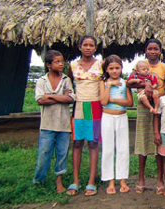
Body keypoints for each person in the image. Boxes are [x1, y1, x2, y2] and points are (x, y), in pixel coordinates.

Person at [131, 39, 165, 194]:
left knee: (158, 143)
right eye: (150, 49)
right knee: (142, 142)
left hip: (159, 107)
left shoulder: (164, 68)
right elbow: (130, 82)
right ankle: (141, 179)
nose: (153, 51)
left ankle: (160, 179)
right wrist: (144, 85)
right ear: (146, 50)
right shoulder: (138, 65)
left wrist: (155, 91)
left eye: (156, 49)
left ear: (160, 51)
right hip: (143, 108)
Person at [33, 50, 75, 193]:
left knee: (62, 154)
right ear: (49, 64)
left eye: (62, 61)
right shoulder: (41, 81)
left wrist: (50, 96)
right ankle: (39, 181)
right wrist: (60, 97)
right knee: (44, 153)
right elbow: (40, 100)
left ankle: (59, 181)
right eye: (57, 62)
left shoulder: (66, 80)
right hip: (47, 124)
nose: (61, 64)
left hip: (64, 124)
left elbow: (70, 98)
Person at [66, 35, 103, 196]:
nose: (88, 47)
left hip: (94, 106)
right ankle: (75, 181)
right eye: (85, 45)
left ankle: (91, 181)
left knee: (93, 143)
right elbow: (68, 83)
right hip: (79, 106)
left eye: (91, 45)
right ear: (79, 47)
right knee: (77, 143)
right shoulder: (73, 65)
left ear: (95, 48)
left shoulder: (101, 64)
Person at [100, 55, 133, 194]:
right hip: (107, 117)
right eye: (111, 68)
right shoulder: (103, 83)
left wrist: (112, 99)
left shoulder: (125, 83)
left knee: (123, 148)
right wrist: (109, 86)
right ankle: (110, 181)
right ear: (106, 70)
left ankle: (122, 180)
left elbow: (130, 103)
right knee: (108, 149)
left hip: (122, 117)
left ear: (121, 68)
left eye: (117, 68)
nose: (114, 71)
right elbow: (103, 101)